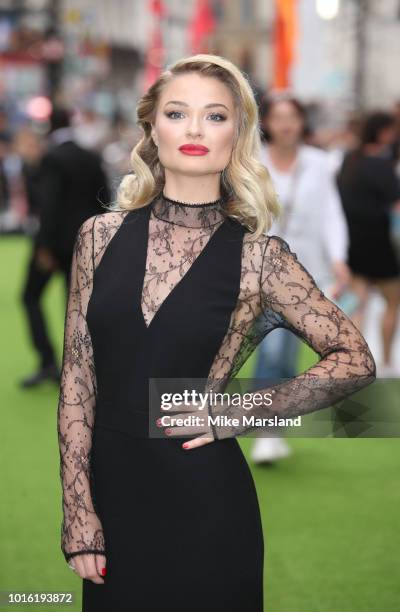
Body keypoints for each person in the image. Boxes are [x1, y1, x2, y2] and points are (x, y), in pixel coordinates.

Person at [57, 55, 376, 611]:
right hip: (113, 500)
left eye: (216, 115)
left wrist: (238, 413)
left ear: (238, 133)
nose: (196, 129)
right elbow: (78, 382)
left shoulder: (260, 259)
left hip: (207, 498)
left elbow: (355, 358)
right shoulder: (97, 238)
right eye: (178, 113)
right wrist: (78, 512)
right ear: (153, 128)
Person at [250, 93, 350, 463]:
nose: (286, 124)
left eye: (293, 116)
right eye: (279, 117)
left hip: (307, 270)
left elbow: (331, 214)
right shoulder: (252, 162)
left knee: (286, 348)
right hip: (261, 268)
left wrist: (339, 258)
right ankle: (266, 428)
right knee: (273, 345)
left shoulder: (320, 164)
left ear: (302, 121)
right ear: (268, 123)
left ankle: (271, 424)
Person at [19, 107, 110, 388]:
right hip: (87, 244)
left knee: (30, 297)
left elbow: (49, 205)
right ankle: (81, 370)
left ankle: (47, 362)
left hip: (53, 245)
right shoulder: (92, 157)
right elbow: (105, 201)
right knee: (77, 308)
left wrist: (43, 247)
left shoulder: (51, 158)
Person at [337, 111, 400, 377]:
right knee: (392, 301)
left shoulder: (349, 160)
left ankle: (356, 361)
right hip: (380, 242)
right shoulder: (381, 165)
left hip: (353, 241)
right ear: (382, 132)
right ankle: (385, 359)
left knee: (358, 303)